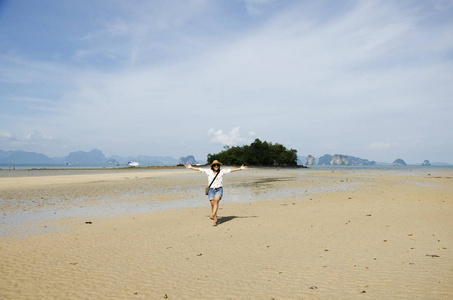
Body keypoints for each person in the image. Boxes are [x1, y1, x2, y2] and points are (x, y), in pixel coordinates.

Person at [186, 160, 247, 226]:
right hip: (211, 190)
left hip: (219, 189)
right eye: (215, 165)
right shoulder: (208, 171)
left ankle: (212, 215)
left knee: (216, 201)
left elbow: (230, 170)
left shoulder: (222, 171)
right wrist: (191, 167)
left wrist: (240, 169)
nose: (216, 166)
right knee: (212, 205)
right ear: (212, 166)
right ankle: (215, 220)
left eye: (217, 165)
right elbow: (200, 169)